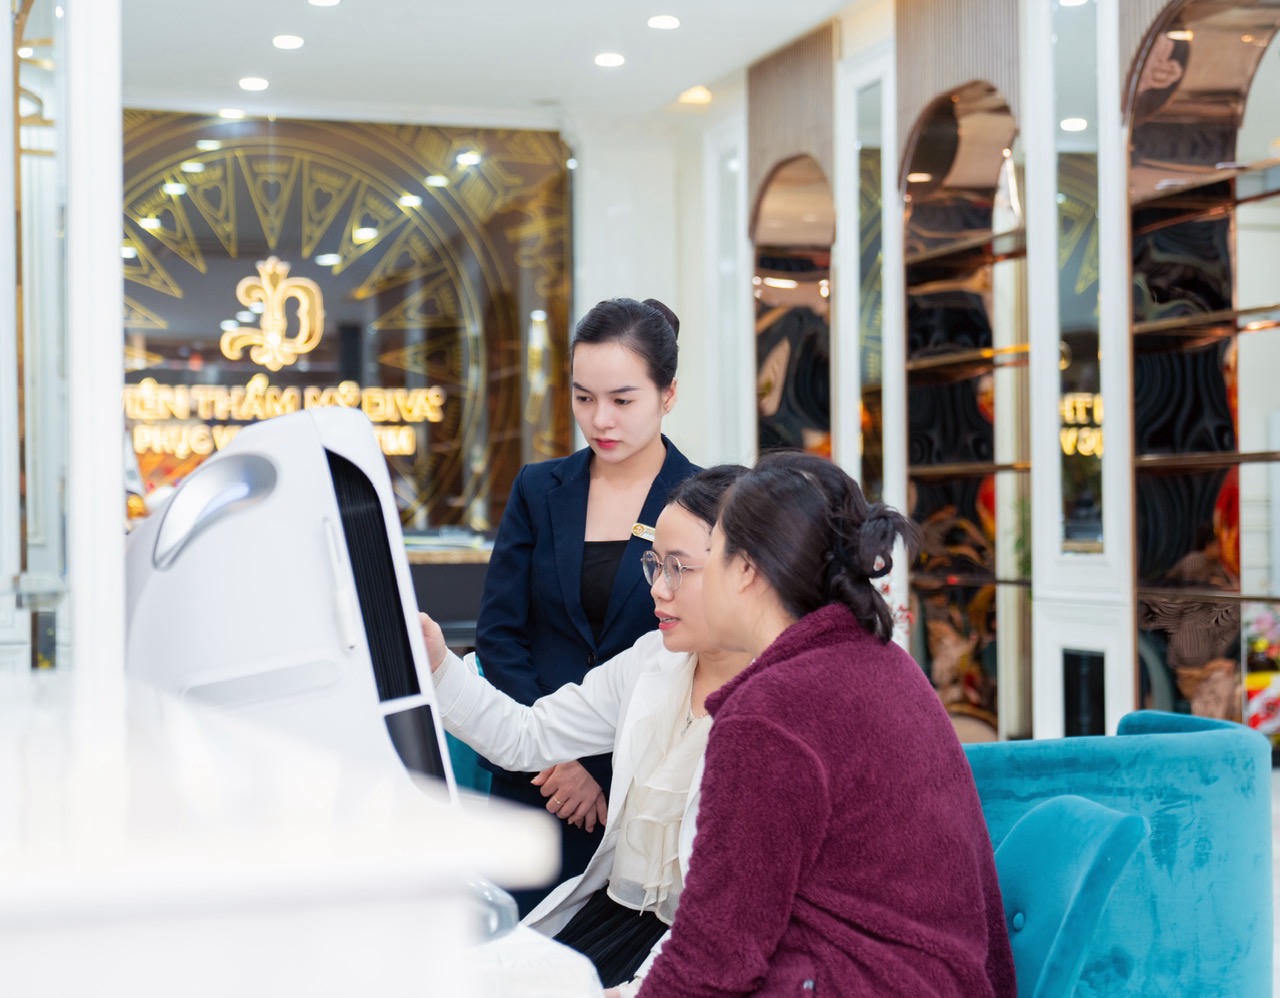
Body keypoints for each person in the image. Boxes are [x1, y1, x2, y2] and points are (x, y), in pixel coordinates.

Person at [637, 452, 1016, 997]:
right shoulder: (886, 662)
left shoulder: (767, 713)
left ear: (746, 570)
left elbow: (713, 961)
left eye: (712, 551)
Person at [419, 467, 751, 995]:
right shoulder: (652, 660)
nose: (657, 589)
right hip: (615, 921)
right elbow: (527, 735)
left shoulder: (776, 705)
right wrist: (438, 663)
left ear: (745, 570)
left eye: (678, 568)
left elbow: (728, 925)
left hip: (697, 947)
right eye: (654, 565)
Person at [474, 298, 698, 914]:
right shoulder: (538, 489)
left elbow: (700, 658)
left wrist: (597, 767)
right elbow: (500, 635)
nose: (601, 419)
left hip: (641, 787)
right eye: (583, 398)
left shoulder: (705, 501)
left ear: (668, 394)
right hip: (533, 784)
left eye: (622, 400)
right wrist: (554, 755)